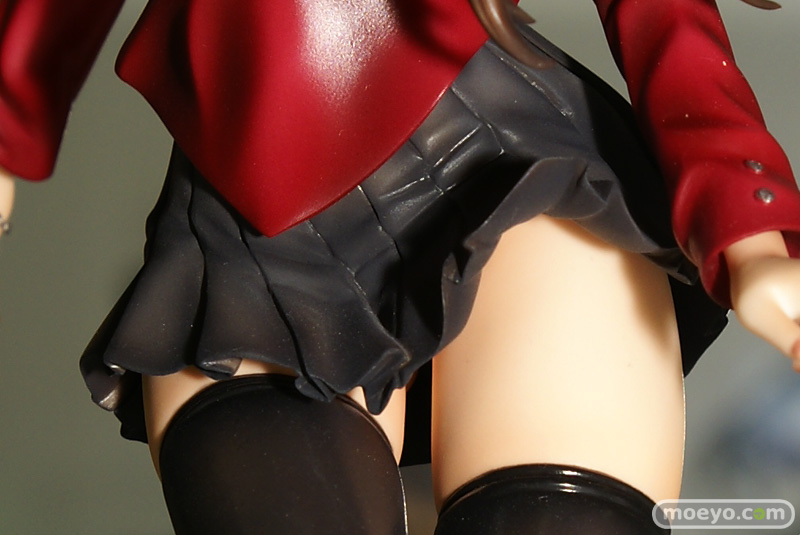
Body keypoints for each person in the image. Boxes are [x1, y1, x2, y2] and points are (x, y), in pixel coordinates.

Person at [1, 1, 799, 533]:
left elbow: (670, 23)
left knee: (551, 514)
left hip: (510, 168)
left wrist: (753, 231)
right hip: (257, 213)